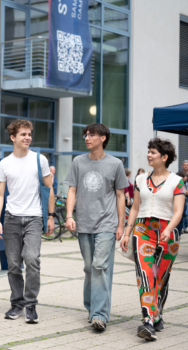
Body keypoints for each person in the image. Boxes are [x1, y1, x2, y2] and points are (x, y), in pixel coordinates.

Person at [65, 123, 128, 331]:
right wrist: (69, 215)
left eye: (92, 134)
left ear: (103, 138)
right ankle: (92, 308)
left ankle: (99, 315)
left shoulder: (115, 164)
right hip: (84, 223)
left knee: (100, 266)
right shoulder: (78, 162)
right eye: (86, 134)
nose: (87, 138)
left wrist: (121, 225)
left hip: (107, 224)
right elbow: (72, 191)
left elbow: (120, 195)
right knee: (90, 268)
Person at [121, 138, 185, 341]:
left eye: (153, 153)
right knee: (146, 274)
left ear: (165, 157)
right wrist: (126, 232)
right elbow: (136, 208)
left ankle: (157, 314)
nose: (149, 155)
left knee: (161, 277)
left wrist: (169, 228)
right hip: (143, 230)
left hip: (168, 233)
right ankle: (148, 319)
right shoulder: (141, 180)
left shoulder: (177, 181)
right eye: (148, 152)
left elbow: (178, 211)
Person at [0, 119, 55, 324]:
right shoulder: (4, 163)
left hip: (34, 217)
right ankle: (17, 303)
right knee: (13, 265)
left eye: (29, 134)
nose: (28, 137)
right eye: (23, 134)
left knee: (31, 259)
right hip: (11, 218)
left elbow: (49, 189)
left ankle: (31, 304)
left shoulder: (40, 160)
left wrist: (52, 216)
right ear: (13, 137)